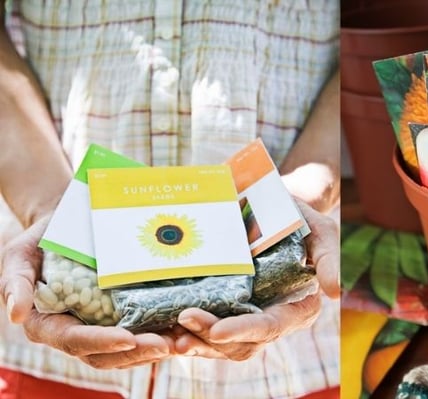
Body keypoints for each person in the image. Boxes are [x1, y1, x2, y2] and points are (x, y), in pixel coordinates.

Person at [0, 1, 340, 398]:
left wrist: (303, 194)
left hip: (295, 367)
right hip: (49, 371)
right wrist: (45, 206)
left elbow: (369, 40)